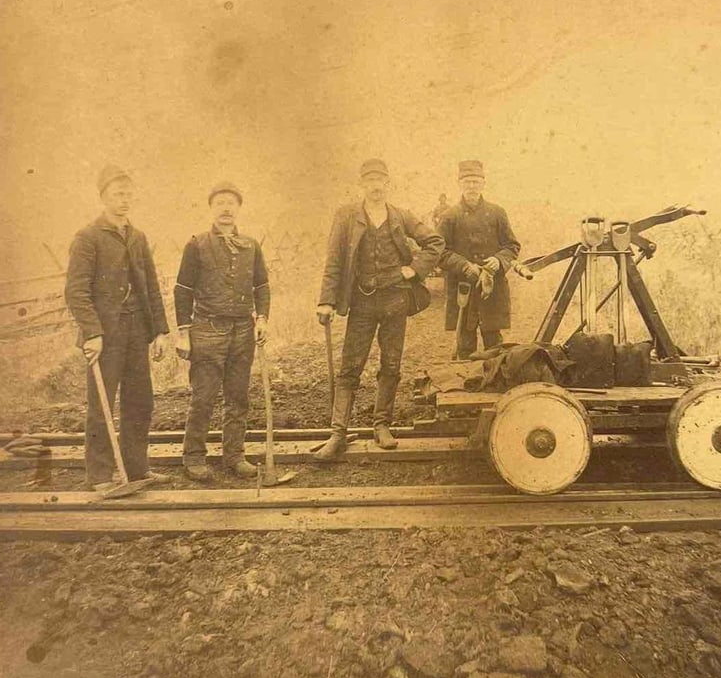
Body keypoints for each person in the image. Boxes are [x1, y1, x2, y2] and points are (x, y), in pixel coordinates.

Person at [313, 159, 445, 458]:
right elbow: (334, 260)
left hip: (395, 300)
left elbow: (435, 242)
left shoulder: (400, 215)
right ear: (362, 184)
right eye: (370, 180)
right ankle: (338, 433)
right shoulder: (346, 216)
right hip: (361, 301)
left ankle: (382, 424)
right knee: (350, 366)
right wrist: (326, 300)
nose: (375, 186)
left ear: (388, 184)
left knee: (391, 363)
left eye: (380, 180)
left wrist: (414, 269)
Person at [173, 181, 295, 486]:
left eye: (231, 203)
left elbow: (262, 286)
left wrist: (262, 319)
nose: (226, 208)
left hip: (242, 330)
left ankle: (234, 456)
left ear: (239, 208)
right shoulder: (197, 245)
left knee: (238, 397)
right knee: (204, 397)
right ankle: (193, 458)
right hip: (207, 330)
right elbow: (182, 290)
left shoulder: (251, 246)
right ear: (211, 208)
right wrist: (184, 332)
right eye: (220, 203)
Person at [64, 165, 170, 491]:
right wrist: (92, 333)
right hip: (105, 335)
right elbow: (76, 291)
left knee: (140, 400)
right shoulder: (88, 238)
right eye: (117, 194)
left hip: (137, 329)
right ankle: (99, 476)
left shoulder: (138, 237)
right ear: (103, 197)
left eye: (128, 194)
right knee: (102, 403)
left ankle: (137, 469)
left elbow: (151, 287)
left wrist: (159, 331)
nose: (124, 200)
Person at [437, 160, 522, 359]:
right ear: (459, 184)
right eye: (467, 182)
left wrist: (499, 260)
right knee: (465, 343)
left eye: (476, 182)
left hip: (491, 287)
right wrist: (464, 265)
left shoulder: (497, 213)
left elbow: (512, 246)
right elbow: (439, 251)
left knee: (494, 344)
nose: (472, 186)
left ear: (483, 183)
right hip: (463, 288)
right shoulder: (449, 216)